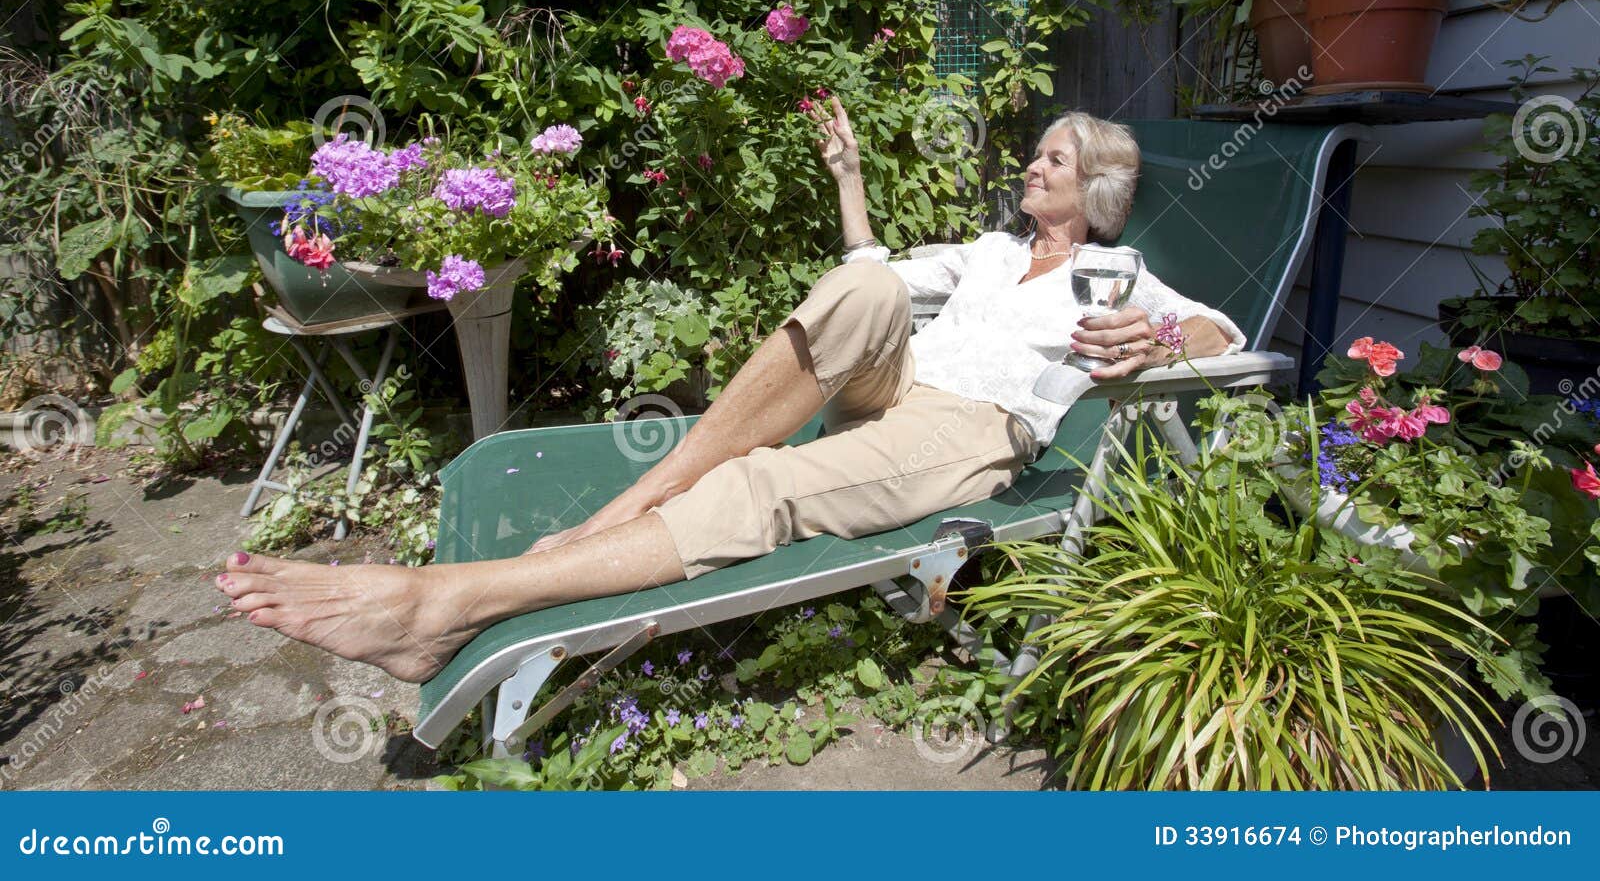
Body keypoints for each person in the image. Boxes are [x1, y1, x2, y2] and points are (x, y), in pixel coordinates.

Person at [214, 99, 1244, 681]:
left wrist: (1156, 332)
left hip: (972, 430)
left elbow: (1223, 330)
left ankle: (447, 604)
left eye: (1053, 156)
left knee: (764, 487)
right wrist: (846, 172)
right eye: (1036, 151)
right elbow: (866, 276)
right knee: (872, 283)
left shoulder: (1114, 277)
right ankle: (647, 491)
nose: (1032, 162)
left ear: (1097, 188)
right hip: (893, 388)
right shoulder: (985, 249)